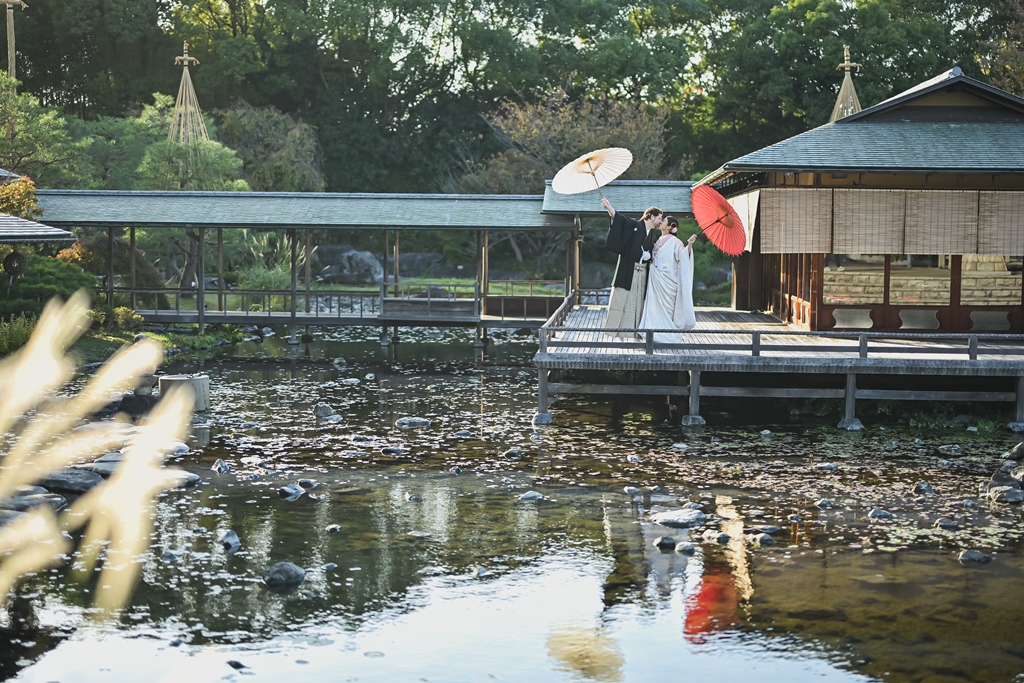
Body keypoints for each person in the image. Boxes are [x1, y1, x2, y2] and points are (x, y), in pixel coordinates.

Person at [601, 197, 663, 337]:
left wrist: (650, 256)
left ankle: (632, 334)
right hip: (628, 269)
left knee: (636, 303)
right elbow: (620, 220)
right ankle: (615, 333)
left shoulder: (652, 236)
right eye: (659, 218)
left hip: (642, 274)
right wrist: (609, 207)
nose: (660, 221)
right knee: (621, 300)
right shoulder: (634, 225)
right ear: (651, 216)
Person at [639, 215, 697, 342]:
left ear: (671, 227)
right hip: (656, 277)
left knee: (666, 309)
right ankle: (653, 334)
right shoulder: (658, 239)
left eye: (664, 220)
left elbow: (683, 257)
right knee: (654, 308)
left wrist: (689, 245)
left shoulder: (676, 242)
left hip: (668, 280)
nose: (661, 221)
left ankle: (668, 335)